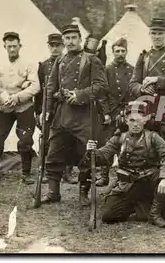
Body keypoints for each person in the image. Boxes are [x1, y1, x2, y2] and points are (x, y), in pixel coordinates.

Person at [39, 24, 107, 206]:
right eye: (67, 38)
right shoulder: (59, 61)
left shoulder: (92, 60)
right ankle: (53, 192)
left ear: (80, 39)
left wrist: (80, 95)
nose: (70, 41)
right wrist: (46, 110)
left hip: (84, 115)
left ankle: (84, 192)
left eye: (73, 38)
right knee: (54, 151)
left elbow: (101, 87)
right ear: (63, 41)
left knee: (87, 153)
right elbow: (51, 87)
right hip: (62, 114)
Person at [85, 101, 165, 227]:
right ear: (126, 121)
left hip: (149, 182)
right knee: (108, 215)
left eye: (139, 120)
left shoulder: (153, 137)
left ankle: (154, 214)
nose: (135, 124)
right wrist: (91, 152)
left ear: (145, 120)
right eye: (132, 120)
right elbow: (102, 156)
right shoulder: (118, 138)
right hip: (128, 184)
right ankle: (141, 208)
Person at [0, 32, 40, 186]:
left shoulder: (29, 64)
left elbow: (35, 86)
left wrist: (17, 97)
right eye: (9, 46)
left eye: (15, 46)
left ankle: (26, 174)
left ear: (20, 46)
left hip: (24, 107)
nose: (12, 49)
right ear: (4, 46)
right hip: (4, 109)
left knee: (25, 141)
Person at [129, 17, 165, 163]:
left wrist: (157, 80)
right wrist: (141, 88)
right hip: (148, 111)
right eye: (153, 33)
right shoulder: (143, 57)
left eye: (160, 33)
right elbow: (132, 84)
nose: (156, 36)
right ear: (149, 34)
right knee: (149, 152)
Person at [34, 33, 76, 184]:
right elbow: (40, 93)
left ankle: (67, 171)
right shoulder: (43, 66)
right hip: (48, 109)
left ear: (63, 46)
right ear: (48, 46)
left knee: (67, 139)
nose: (55, 48)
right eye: (52, 45)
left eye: (58, 45)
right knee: (46, 140)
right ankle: (46, 171)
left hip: (64, 108)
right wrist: (39, 111)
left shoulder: (68, 62)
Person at [98, 37, 134, 186]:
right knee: (108, 144)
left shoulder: (132, 70)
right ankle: (104, 176)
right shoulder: (106, 70)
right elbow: (102, 94)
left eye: (122, 51)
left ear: (126, 52)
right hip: (111, 113)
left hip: (126, 112)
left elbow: (134, 92)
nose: (120, 54)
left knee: (126, 144)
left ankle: (122, 177)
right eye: (117, 51)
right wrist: (105, 113)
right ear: (112, 52)